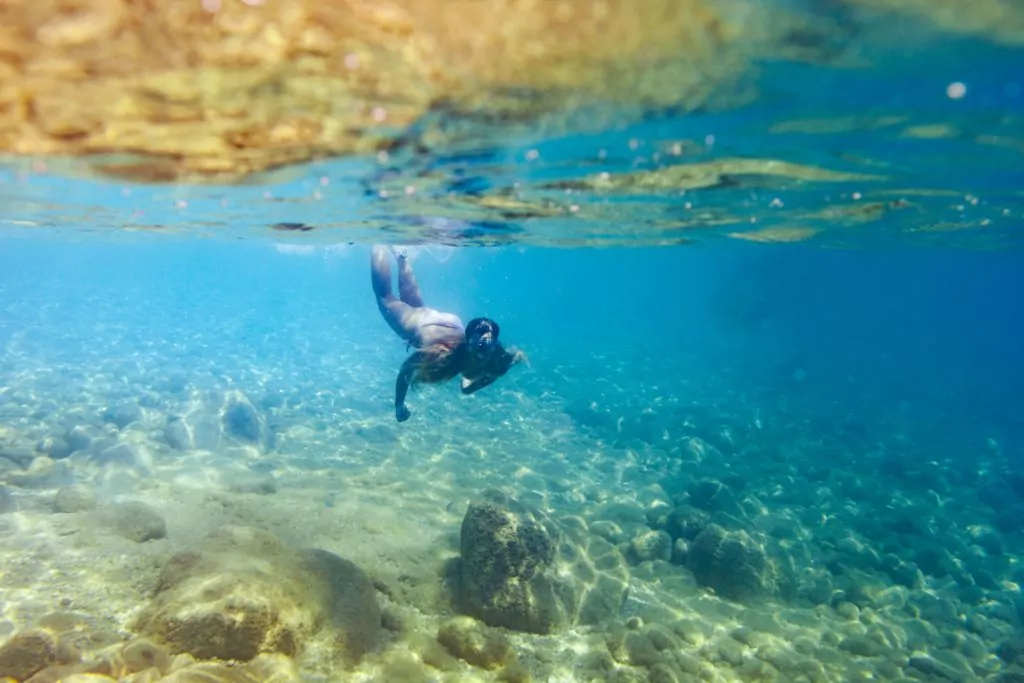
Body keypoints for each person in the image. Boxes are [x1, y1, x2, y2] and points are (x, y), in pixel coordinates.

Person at [370, 245, 526, 422]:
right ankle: (378, 242)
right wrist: (399, 404)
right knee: (385, 296)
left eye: (486, 349)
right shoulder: (443, 355)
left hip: (452, 324)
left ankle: (402, 255)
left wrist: (485, 377)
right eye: (480, 349)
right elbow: (407, 367)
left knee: (417, 308)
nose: (482, 355)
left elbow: (467, 386)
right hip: (421, 326)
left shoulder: (495, 354)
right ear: (468, 343)